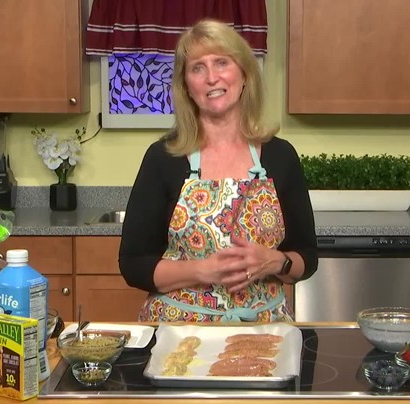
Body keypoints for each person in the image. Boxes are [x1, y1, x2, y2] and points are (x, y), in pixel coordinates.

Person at [119, 19, 317, 322]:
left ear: (245, 74)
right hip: (180, 332)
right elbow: (133, 264)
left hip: (266, 331)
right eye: (198, 68)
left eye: (222, 62)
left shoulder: (281, 156)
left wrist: (277, 262)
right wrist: (202, 270)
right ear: (187, 87)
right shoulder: (163, 158)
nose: (211, 77)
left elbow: (307, 257)